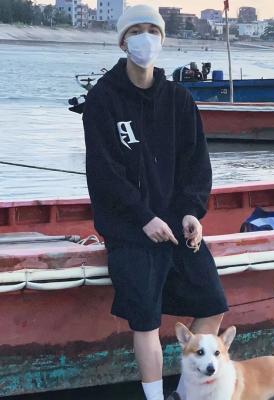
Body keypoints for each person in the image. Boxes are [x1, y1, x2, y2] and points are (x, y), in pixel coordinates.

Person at [82, 5, 228, 400]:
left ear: (162, 39)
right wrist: (143, 217)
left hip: (176, 227)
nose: (145, 38)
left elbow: (196, 164)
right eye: (136, 31)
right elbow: (104, 173)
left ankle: (183, 392)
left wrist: (191, 211)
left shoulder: (179, 99)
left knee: (213, 302)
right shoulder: (102, 100)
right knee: (146, 320)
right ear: (123, 41)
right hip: (130, 229)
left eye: (152, 30)